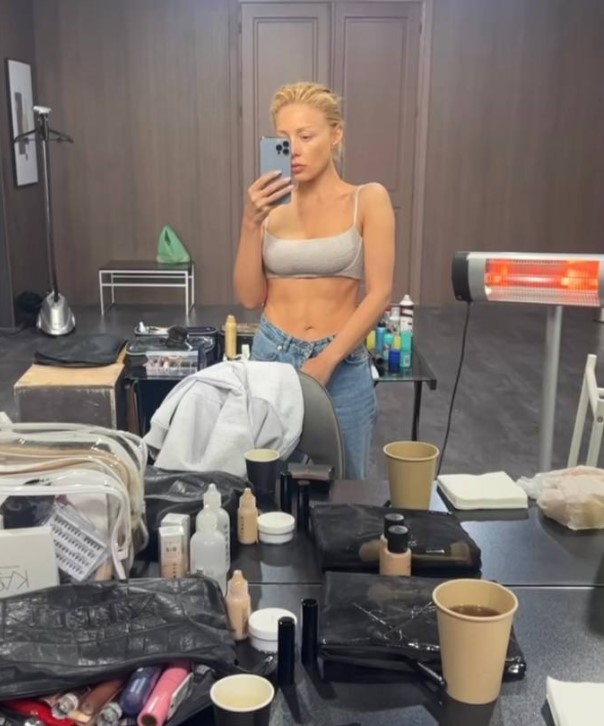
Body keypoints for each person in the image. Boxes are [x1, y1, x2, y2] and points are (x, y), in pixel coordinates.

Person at [234, 82, 394, 479]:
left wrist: (327, 360)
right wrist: (250, 223)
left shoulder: (367, 199)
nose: (295, 150)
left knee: (347, 487)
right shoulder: (269, 207)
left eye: (306, 136)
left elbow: (379, 294)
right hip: (272, 356)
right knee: (268, 486)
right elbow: (250, 297)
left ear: (336, 134)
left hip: (341, 362)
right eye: (284, 139)